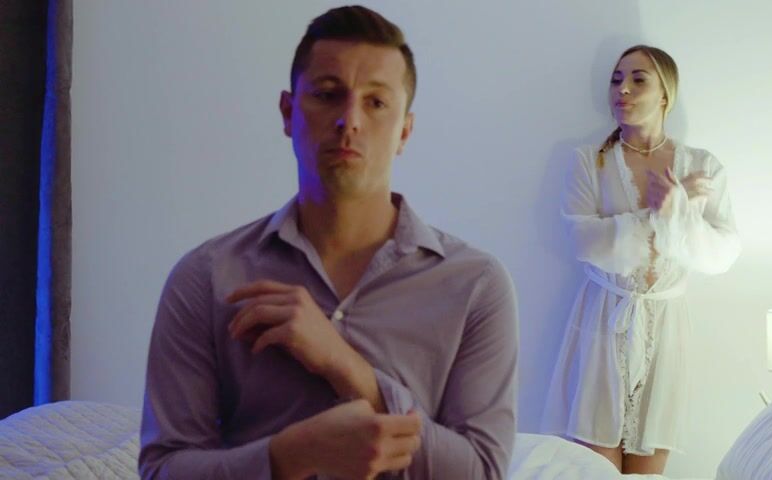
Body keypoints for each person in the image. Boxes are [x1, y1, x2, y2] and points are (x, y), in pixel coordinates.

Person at [138, 6, 518, 479]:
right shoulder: (206, 277)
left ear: (404, 130)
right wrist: (290, 456)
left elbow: (483, 472)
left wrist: (348, 370)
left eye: (375, 102)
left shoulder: (476, 285)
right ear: (288, 112)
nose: (349, 121)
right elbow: (163, 469)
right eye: (327, 95)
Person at [540, 45, 740, 474]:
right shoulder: (588, 161)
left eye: (637, 79)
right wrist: (659, 212)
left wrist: (680, 212)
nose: (623, 90)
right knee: (594, 470)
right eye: (616, 80)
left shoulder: (702, 167)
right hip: (603, 320)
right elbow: (584, 241)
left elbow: (722, 253)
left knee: (648, 470)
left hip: (665, 329)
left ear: (665, 93)